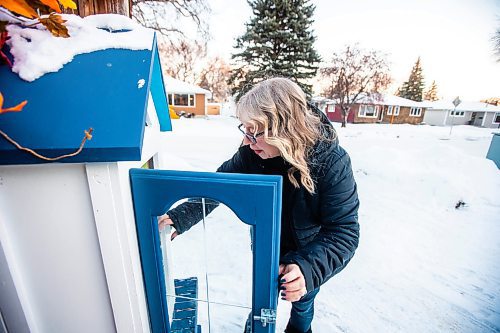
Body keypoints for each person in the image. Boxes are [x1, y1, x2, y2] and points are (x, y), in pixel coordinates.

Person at [158, 77, 360, 333]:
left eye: (258, 132)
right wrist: (182, 215)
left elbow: (344, 231)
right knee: (264, 294)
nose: (248, 141)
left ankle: (299, 327)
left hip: (310, 248)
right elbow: (219, 185)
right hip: (267, 244)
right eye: (246, 129)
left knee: (302, 300)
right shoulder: (252, 153)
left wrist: (308, 270)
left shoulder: (332, 162)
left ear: (287, 129)